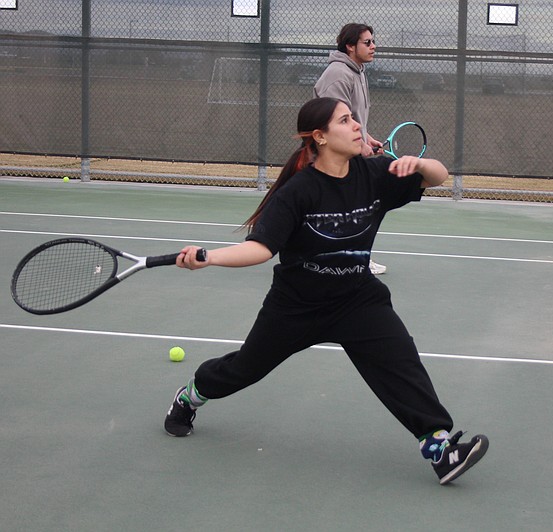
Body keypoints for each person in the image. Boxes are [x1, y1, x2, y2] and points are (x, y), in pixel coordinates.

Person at [163, 97, 489, 485]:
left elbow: (438, 176)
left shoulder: (374, 173)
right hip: (297, 305)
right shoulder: (298, 192)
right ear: (319, 137)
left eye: (354, 119)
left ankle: (439, 449)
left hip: (357, 298)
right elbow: (262, 249)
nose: (356, 126)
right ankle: (190, 396)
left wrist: (418, 164)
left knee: (400, 362)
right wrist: (210, 258)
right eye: (345, 120)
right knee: (244, 369)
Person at [313, 22, 387, 275]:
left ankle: (357, 257)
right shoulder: (338, 74)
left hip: (348, 152)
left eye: (373, 41)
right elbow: (334, 122)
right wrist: (360, 146)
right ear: (350, 46)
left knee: (357, 207)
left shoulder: (358, 71)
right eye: (367, 42)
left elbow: (353, 118)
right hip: (333, 155)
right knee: (342, 208)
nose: (373, 46)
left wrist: (368, 138)